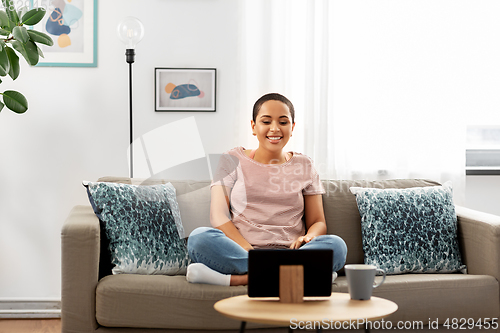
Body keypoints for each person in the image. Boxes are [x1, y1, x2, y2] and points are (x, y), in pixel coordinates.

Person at [186, 93, 347, 286]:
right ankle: (301, 275)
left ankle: (240, 279)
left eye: (283, 122)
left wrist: (309, 237)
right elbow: (219, 216)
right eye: (266, 121)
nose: (275, 128)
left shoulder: (305, 165)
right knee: (198, 239)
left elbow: (318, 221)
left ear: (292, 127)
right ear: (254, 127)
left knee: (337, 246)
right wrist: (249, 250)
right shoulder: (230, 159)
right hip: (242, 250)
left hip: (293, 252)